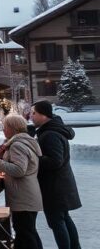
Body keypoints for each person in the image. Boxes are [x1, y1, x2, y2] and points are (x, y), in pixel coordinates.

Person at [31, 101, 82, 249]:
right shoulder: (50, 130)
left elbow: (55, 161)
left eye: (34, 113)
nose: (31, 116)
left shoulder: (51, 134)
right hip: (60, 184)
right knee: (63, 218)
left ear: (43, 114)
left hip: (55, 187)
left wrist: (34, 158)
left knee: (57, 222)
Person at [0, 114, 44, 249]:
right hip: (27, 194)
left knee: (25, 233)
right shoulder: (24, 142)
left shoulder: (17, 145)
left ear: (13, 128)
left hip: (23, 196)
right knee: (27, 232)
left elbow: (19, 170)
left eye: (5, 127)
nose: (3, 130)